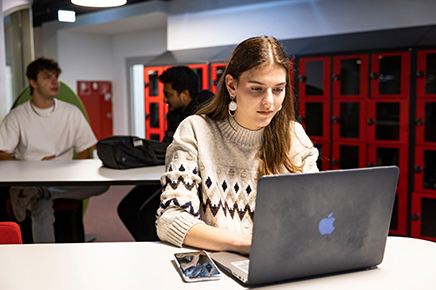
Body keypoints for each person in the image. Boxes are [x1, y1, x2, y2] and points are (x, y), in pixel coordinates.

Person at [155, 36, 319, 255]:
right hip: (219, 264)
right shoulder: (196, 130)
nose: (269, 101)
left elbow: (314, 211)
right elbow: (171, 219)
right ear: (232, 85)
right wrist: (246, 244)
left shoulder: (294, 136)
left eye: (278, 89)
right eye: (256, 89)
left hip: (280, 260)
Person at [0, 57, 108, 243]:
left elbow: (84, 150)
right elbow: (2, 155)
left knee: (103, 183)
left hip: (64, 179)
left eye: (56, 77)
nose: (54, 81)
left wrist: (71, 169)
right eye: (47, 77)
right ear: (32, 82)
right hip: (30, 180)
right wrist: (33, 167)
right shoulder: (17, 117)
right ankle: (45, 258)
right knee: (41, 205)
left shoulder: (71, 112)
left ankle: (46, 191)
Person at [117, 66, 213, 240]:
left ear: (184, 95)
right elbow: (168, 148)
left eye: (168, 94)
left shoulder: (206, 114)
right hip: (171, 173)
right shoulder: (175, 114)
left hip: (196, 180)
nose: (164, 99)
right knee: (127, 207)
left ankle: (154, 253)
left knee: (147, 214)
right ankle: (147, 247)